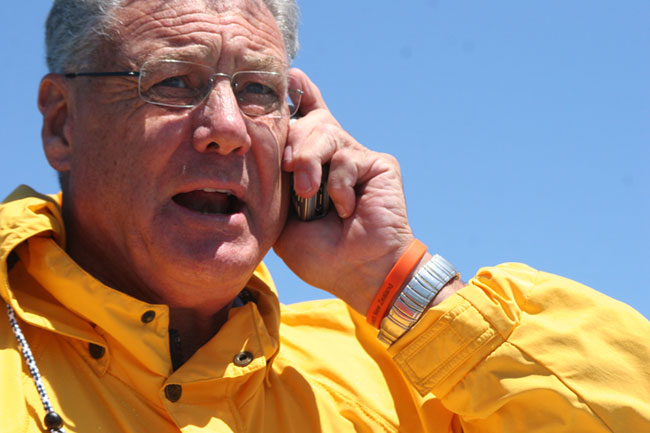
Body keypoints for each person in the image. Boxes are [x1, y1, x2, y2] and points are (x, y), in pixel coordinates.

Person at [1, 0, 648, 432]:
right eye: (172, 82)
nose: (227, 128)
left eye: (258, 91)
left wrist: (394, 278)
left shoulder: (383, 382)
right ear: (63, 124)